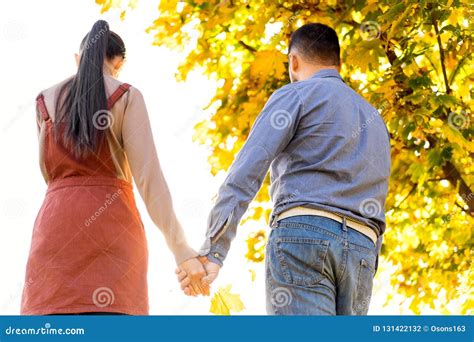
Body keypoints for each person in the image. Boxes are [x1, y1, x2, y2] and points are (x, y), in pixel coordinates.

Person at [176, 23, 391, 315]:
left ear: (294, 61)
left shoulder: (295, 95)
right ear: (338, 64)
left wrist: (214, 250)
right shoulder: (374, 119)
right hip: (363, 246)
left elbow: (245, 173)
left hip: (304, 235)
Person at [21, 20, 208, 316]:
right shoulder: (126, 96)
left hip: (54, 234)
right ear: (118, 63)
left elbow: (48, 174)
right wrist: (181, 250)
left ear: (78, 59)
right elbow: (149, 179)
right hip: (114, 233)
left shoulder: (44, 100)